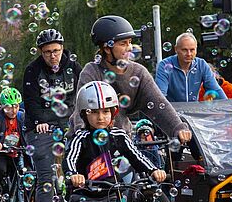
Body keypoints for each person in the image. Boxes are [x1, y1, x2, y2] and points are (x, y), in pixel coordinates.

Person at [70, 15, 192, 146]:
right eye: (123, 44)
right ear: (107, 48)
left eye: (129, 42)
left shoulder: (139, 73)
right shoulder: (91, 72)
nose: (129, 48)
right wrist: (82, 135)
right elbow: (81, 112)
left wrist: (178, 127)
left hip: (122, 141)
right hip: (87, 142)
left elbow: (159, 104)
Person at [22, 28, 78, 202]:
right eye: (47, 52)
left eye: (56, 51)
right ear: (40, 52)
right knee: (46, 177)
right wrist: (39, 122)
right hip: (40, 127)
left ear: (62, 48)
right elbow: (31, 103)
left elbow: (81, 94)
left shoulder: (73, 67)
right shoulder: (32, 71)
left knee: (78, 170)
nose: (53, 56)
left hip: (69, 124)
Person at [156, 32, 226, 102]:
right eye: (184, 50)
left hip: (193, 110)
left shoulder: (201, 64)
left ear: (196, 49)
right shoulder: (164, 64)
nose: (189, 54)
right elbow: (160, 95)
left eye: (192, 50)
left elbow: (216, 90)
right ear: (176, 49)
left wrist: (227, 107)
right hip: (171, 110)